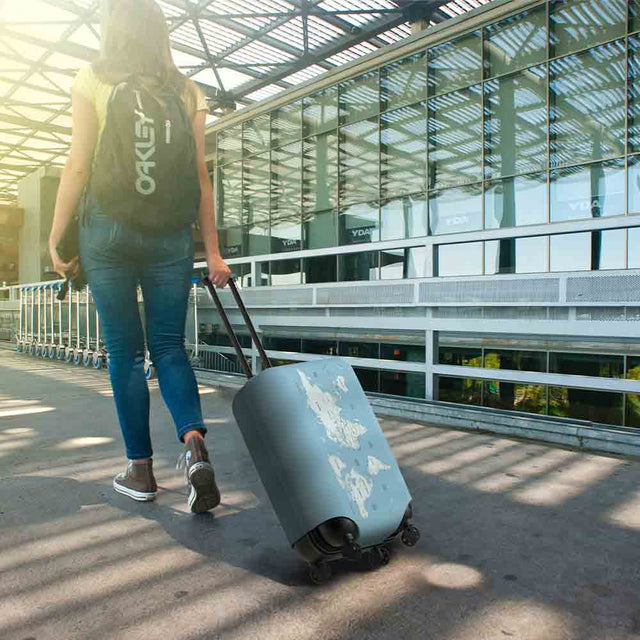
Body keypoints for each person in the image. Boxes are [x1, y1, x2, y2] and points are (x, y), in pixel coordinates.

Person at [48, 0, 231, 513]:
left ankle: (140, 470)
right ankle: (195, 447)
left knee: (125, 353)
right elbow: (201, 178)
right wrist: (213, 252)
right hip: (171, 236)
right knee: (170, 347)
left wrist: (58, 235)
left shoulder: (93, 78)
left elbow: (78, 164)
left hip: (107, 232)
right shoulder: (187, 89)